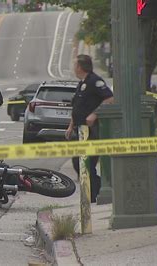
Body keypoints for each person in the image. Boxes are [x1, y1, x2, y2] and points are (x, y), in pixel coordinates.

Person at [65, 54, 114, 203]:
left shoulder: (95, 81)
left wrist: (95, 114)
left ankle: (94, 194)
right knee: (77, 162)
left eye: (75, 65)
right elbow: (77, 107)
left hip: (92, 131)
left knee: (88, 162)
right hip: (80, 131)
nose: (74, 68)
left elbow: (109, 98)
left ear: (80, 67)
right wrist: (70, 126)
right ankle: (95, 189)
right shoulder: (82, 83)